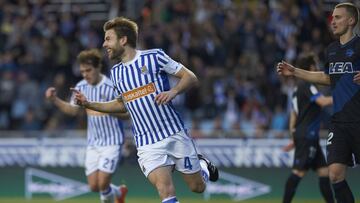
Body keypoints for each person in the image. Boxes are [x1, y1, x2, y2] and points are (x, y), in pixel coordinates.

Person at [72, 17, 219, 203]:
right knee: (165, 191)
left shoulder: (154, 57)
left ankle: (203, 166)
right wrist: (89, 103)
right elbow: (121, 105)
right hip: (147, 142)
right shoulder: (116, 73)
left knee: (197, 187)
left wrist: (173, 92)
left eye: (108, 38)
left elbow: (190, 77)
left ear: (123, 40)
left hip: (174, 132)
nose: (104, 44)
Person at [277, 3, 360, 202]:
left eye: (338, 17)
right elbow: (326, 78)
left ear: (351, 20)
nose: (333, 21)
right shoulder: (331, 50)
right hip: (339, 122)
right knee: (334, 174)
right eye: (332, 17)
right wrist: (295, 71)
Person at [45, 49, 128, 203]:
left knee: (103, 184)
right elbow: (72, 111)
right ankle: (118, 192)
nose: (85, 74)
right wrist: (55, 99)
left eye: (88, 70)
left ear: (98, 67)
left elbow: (127, 114)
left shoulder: (111, 87)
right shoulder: (81, 86)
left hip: (112, 142)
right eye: (82, 71)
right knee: (93, 186)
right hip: (93, 143)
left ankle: (112, 194)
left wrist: (105, 108)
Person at [281, 53, 334, 203]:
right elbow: (323, 102)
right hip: (307, 135)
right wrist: (343, 95)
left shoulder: (297, 89)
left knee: (324, 172)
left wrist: (293, 135)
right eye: (315, 64)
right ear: (310, 67)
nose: (317, 67)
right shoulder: (307, 85)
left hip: (307, 135)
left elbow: (293, 114)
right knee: (298, 172)